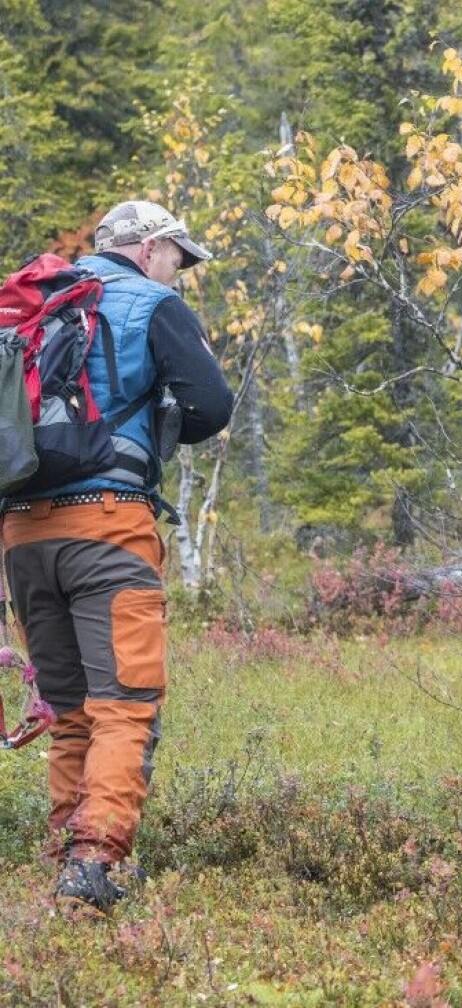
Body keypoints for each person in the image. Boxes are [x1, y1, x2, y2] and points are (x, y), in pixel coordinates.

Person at [0, 200, 233, 913]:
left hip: (23, 537)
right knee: (125, 705)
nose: (180, 273)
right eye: (179, 258)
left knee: (69, 710)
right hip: (108, 530)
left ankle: (63, 856)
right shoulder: (152, 303)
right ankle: (94, 863)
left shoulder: (32, 310)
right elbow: (213, 406)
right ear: (151, 247)